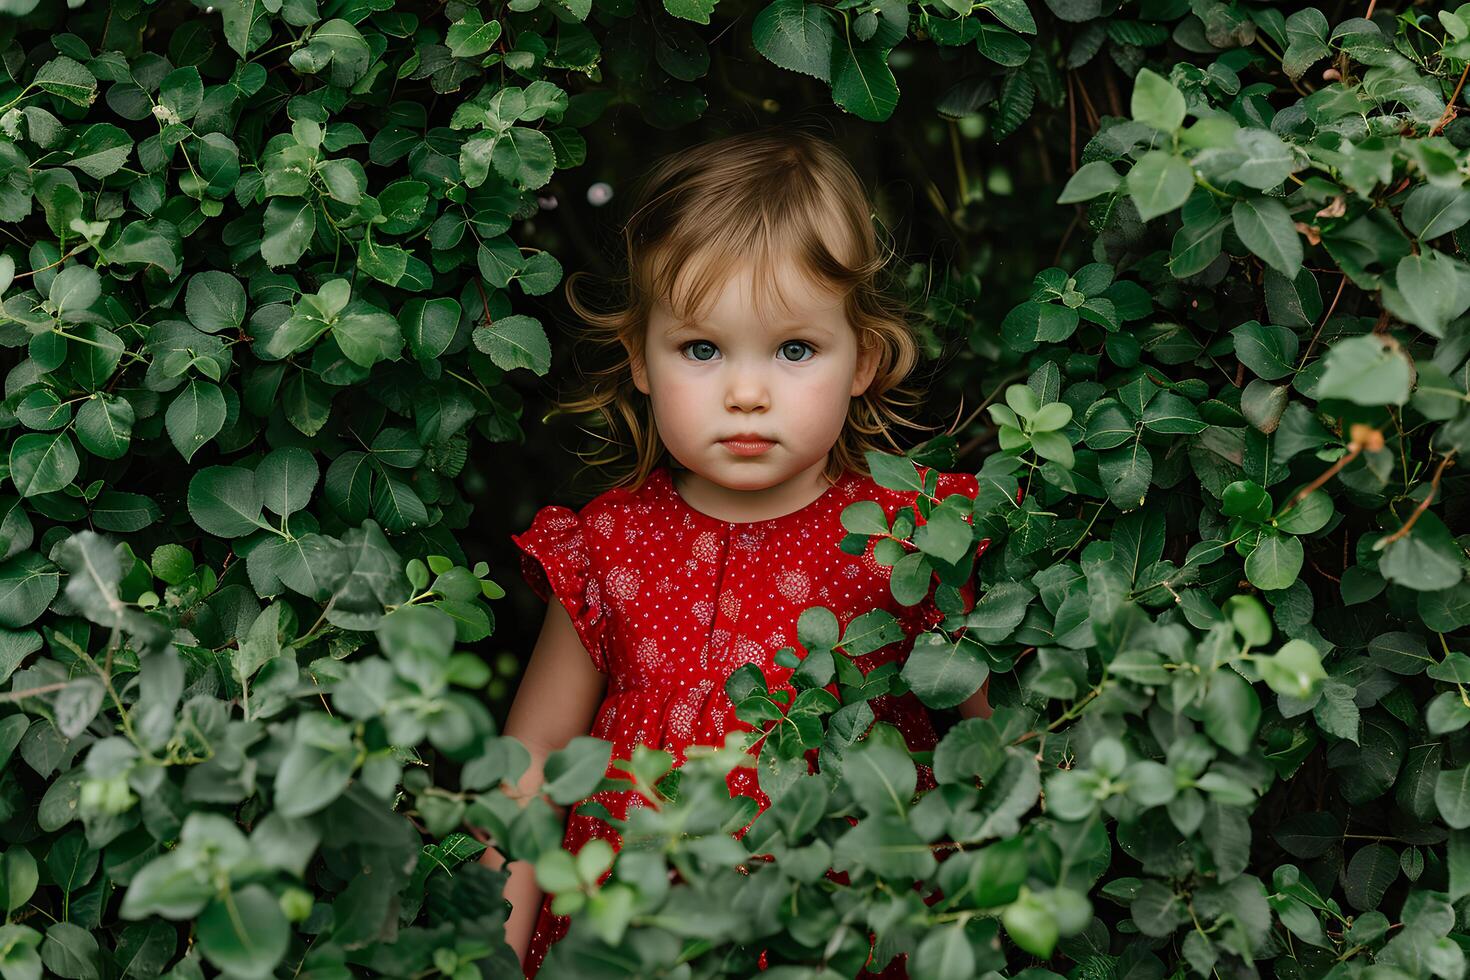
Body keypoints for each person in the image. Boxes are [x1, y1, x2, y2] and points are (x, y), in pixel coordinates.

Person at [478, 125, 993, 978]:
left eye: (795, 349)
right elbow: (528, 776)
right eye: (702, 349)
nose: (747, 393)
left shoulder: (913, 539)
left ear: (862, 359)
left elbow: (1001, 757)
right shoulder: (611, 544)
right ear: (640, 359)